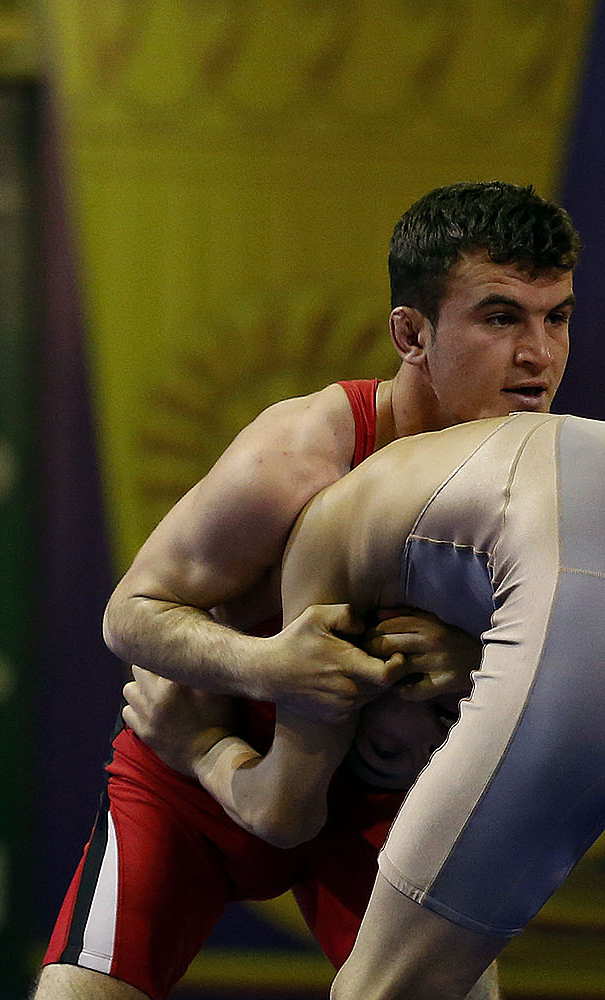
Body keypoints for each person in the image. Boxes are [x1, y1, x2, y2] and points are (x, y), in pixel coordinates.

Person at [37, 179, 579, 999]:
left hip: (383, 805)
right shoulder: (302, 454)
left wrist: (475, 661)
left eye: (557, 318)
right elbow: (131, 613)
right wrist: (266, 666)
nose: (538, 355)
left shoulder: (543, 483)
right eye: (501, 318)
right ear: (411, 333)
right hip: (194, 784)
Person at [128, 410, 605, 1000]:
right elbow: (128, 613)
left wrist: (202, 746)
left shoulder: (347, 526)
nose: (428, 750)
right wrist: (268, 665)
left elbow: (282, 812)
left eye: (460, 717)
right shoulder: (308, 467)